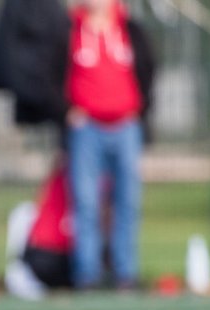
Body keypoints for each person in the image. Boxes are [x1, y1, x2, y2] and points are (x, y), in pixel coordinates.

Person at [64, 0, 155, 291]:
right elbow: (53, 71)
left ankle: (125, 273)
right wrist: (65, 109)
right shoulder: (70, 30)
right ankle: (86, 275)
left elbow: (148, 69)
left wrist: (139, 111)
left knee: (128, 201)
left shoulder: (129, 28)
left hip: (126, 126)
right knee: (86, 202)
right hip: (86, 128)